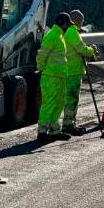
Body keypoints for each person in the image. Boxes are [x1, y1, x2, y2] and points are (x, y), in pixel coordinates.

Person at [36, 12, 72, 142]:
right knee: (49, 104)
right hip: (51, 77)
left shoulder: (59, 35)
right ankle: (42, 132)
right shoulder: (52, 35)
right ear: (62, 23)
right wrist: (41, 69)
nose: (68, 27)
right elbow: (42, 54)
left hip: (60, 77)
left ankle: (54, 131)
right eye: (67, 24)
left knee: (58, 104)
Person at [62, 10, 98, 135]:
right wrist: (91, 50)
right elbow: (81, 49)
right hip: (73, 71)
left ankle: (67, 124)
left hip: (67, 70)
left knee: (66, 99)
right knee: (72, 99)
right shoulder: (72, 32)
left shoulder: (65, 31)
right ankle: (68, 125)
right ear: (78, 21)